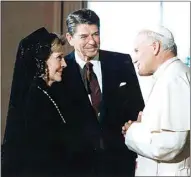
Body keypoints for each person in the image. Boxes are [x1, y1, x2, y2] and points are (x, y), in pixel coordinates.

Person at [50, 8, 145, 177]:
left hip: (119, 163)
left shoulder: (121, 62)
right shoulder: (61, 70)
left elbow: (137, 108)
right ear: (70, 39)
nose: (92, 41)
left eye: (95, 34)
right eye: (84, 36)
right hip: (76, 166)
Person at [122, 26, 190, 176]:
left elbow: (171, 145)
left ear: (155, 47)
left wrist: (132, 131)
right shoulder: (172, 75)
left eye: (137, 51)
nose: (134, 59)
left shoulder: (173, 79)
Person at [2, 27, 68, 177]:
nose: (64, 64)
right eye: (59, 58)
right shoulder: (34, 100)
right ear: (42, 61)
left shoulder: (47, 93)